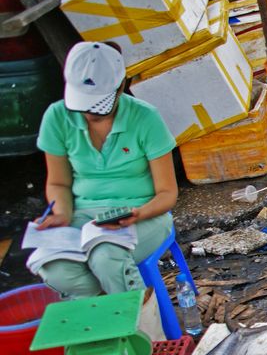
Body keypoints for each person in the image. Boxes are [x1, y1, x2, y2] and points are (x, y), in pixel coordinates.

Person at [34, 41, 178, 298]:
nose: (89, 113)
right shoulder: (57, 117)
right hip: (84, 217)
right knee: (57, 269)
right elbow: (59, 184)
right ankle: (105, 320)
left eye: (98, 104)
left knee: (106, 257)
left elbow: (167, 194)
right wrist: (62, 214)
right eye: (84, 103)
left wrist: (139, 213)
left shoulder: (145, 117)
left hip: (145, 216)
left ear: (122, 85)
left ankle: (136, 329)